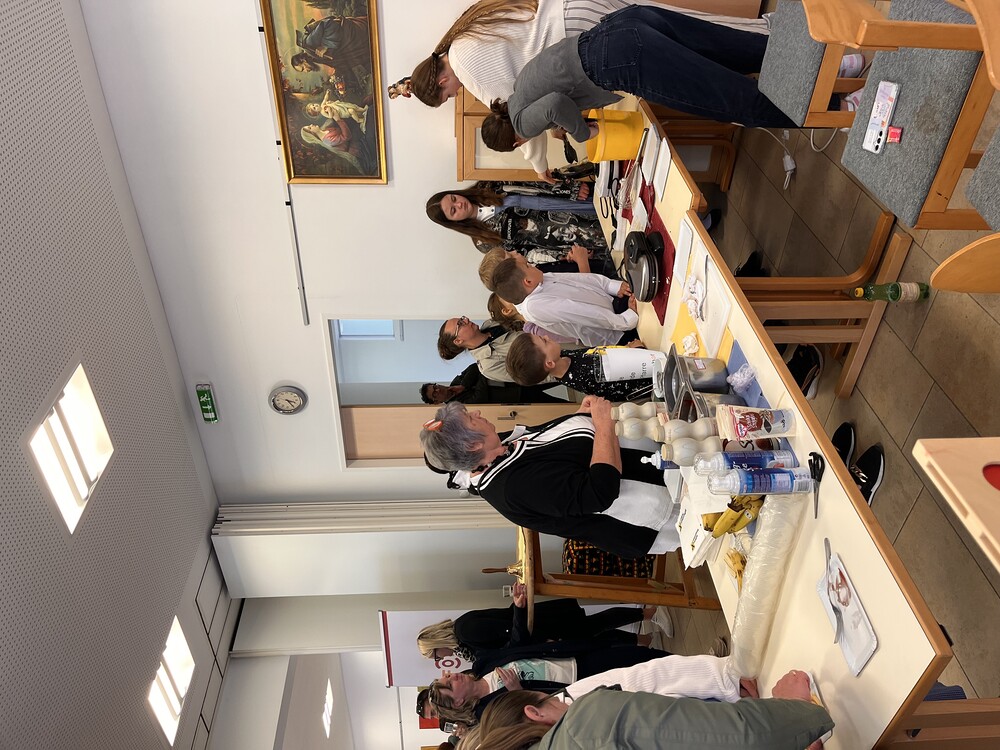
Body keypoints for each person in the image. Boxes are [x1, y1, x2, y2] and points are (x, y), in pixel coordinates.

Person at [406, 0, 768, 180]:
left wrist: (542, 164)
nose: (456, 96)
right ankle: (771, 38)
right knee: (697, 36)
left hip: (590, 48)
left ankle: (780, 98)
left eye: (448, 96)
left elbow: (517, 116)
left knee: (702, 85)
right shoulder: (466, 30)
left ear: (441, 82)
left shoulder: (464, 64)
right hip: (579, 13)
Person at [480, 5, 796, 159]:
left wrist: (582, 132)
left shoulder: (521, 125)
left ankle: (820, 109)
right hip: (621, 25)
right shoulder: (518, 89)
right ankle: (819, 65)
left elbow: (555, 103)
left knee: (729, 99)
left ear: (515, 143)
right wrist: (563, 123)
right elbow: (555, 93)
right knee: (729, 49)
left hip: (621, 59)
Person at [419, 397, 680, 558]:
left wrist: (579, 415)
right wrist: (603, 426)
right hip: (651, 506)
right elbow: (599, 493)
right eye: (470, 419)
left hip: (652, 466)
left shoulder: (499, 447)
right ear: (473, 446)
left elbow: (553, 444)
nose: (477, 413)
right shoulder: (512, 488)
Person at [476, 674, 835, 750]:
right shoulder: (588, 722)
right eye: (554, 700)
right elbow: (744, 735)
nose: (564, 703)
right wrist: (797, 708)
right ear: (535, 714)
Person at [423, 640, 671, 725]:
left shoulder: (481, 665)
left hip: (572, 659)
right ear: (458, 702)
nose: (453, 676)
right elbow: (529, 718)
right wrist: (518, 691)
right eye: (450, 685)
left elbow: (515, 646)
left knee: (640, 657)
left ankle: (683, 661)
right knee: (638, 685)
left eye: (447, 676)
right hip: (575, 688)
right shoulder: (488, 710)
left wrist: (519, 609)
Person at [417, 582, 664, 662]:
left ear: (437, 643)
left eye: (435, 655)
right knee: (596, 632)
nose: (440, 659)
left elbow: (510, 631)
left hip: (542, 627)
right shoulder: (465, 637)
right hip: (539, 628)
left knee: (597, 626)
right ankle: (644, 636)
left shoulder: (466, 631)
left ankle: (649, 614)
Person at [493, 254, 640, 348]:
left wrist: (611, 286)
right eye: (528, 266)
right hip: (616, 329)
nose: (532, 265)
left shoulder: (539, 280)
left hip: (614, 304)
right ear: (528, 281)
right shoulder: (534, 307)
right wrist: (625, 320)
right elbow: (583, 313)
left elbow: (581, 279)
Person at [427, 182, 608, 257]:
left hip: (564, 199)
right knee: (610, 233)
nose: (459, 204)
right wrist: (565, 255)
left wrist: (569, 187)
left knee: (610, 205)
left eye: (454, 198)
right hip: (565, 232)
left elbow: (530, 182)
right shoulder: (484, 242)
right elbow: (526, 254)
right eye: (453, 210)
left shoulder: (486, 185)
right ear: (453, 222)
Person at [506, 334, 655, 402]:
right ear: (550, 363)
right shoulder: (584, 375)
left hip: (634, 357)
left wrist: (626, 349)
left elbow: (602, 353)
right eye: (544, 341)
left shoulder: (562, 356)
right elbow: (628, 381)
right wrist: (637, 351)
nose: (546, 336)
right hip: (650, 373)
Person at [438, 315, 561, 388]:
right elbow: (530, 375)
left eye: (462, 318)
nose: (466, 320)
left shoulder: (490, 323)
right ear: (458, 341)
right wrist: (562, 372)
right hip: (561, 357)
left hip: (557, 329)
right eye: (460, 324)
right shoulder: (488, 365)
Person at [419, 363, 563, 405]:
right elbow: (480, 397)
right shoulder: (456, 406)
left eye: (435, 387)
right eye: (434, 394)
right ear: (436, 402)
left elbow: (474, 367)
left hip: (514, 380)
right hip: (515, 396)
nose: (438, 390)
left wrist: (464, 385)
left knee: (556, 377)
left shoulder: (457, 382)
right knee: (558, 404)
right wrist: (483, 374)